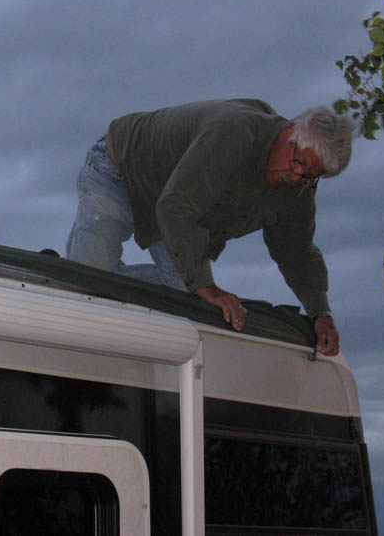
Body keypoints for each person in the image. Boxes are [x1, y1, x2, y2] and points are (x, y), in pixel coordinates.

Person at [66, 99, 354, 356]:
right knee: (89, 278)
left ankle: (97, 291)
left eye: (308, 176)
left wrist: (320, 312)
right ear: (290, 132)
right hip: (122, 168)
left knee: (183, 295)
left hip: (173, 209)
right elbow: (177, 206)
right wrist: (207, 286)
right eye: (298, 163)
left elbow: (296, 250)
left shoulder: (297, 188)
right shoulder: (234, 131)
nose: (295, 177)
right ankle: (68, 275)